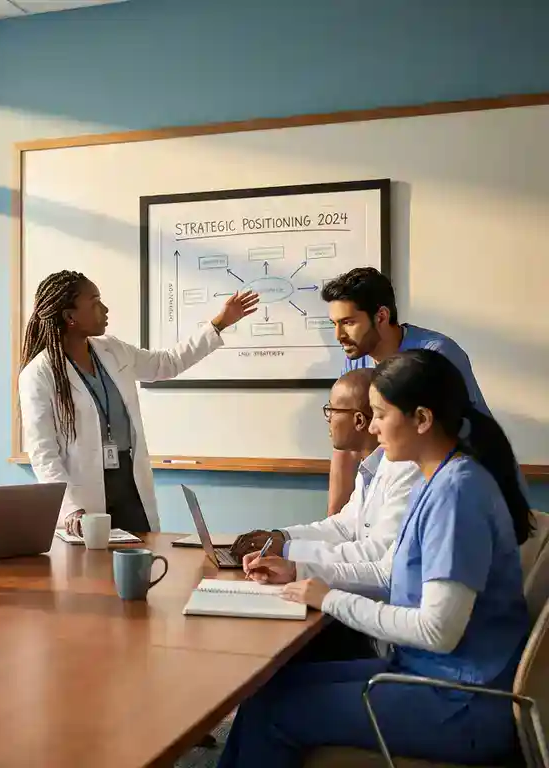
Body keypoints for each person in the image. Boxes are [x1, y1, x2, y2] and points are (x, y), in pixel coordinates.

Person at [219, 349, 533, 767]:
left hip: (461, 702)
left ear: (421, 419)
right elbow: (392, 573)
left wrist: (328, 598)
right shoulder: (435, 479)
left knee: (278, 713)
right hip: (428, 677)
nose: (375, 427)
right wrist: (298, 569)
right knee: (265, 690)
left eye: (381, 414)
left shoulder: (457, 494)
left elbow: (439, 631)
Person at [18, 270, 258, 536]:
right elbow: (43, 453)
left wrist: (219, 324)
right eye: (95, 303)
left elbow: (166, 363)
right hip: (83, 495)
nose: (105, 309)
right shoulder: (39, 374)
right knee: (92, 573)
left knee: (140, 560)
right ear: (70, 317)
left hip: (128, 481)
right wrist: (70, 509)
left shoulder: (111, 349)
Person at [322, 267, 492, 517]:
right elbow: (347, 440)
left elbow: (449, 442)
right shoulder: (356, 359)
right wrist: (335, 519)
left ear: (381, 316)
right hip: (396, 491)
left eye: (348, 322)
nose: (339, 335)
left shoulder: (436, 355)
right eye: (334, 324)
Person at [231, 368, 422, 565]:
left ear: (358, 420)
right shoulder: (371, 465)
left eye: (332, 410)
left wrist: (286, 550)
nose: (328, 419)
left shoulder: (406, 469)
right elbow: (342, 527)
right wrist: (282, 536)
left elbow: (377, 554)